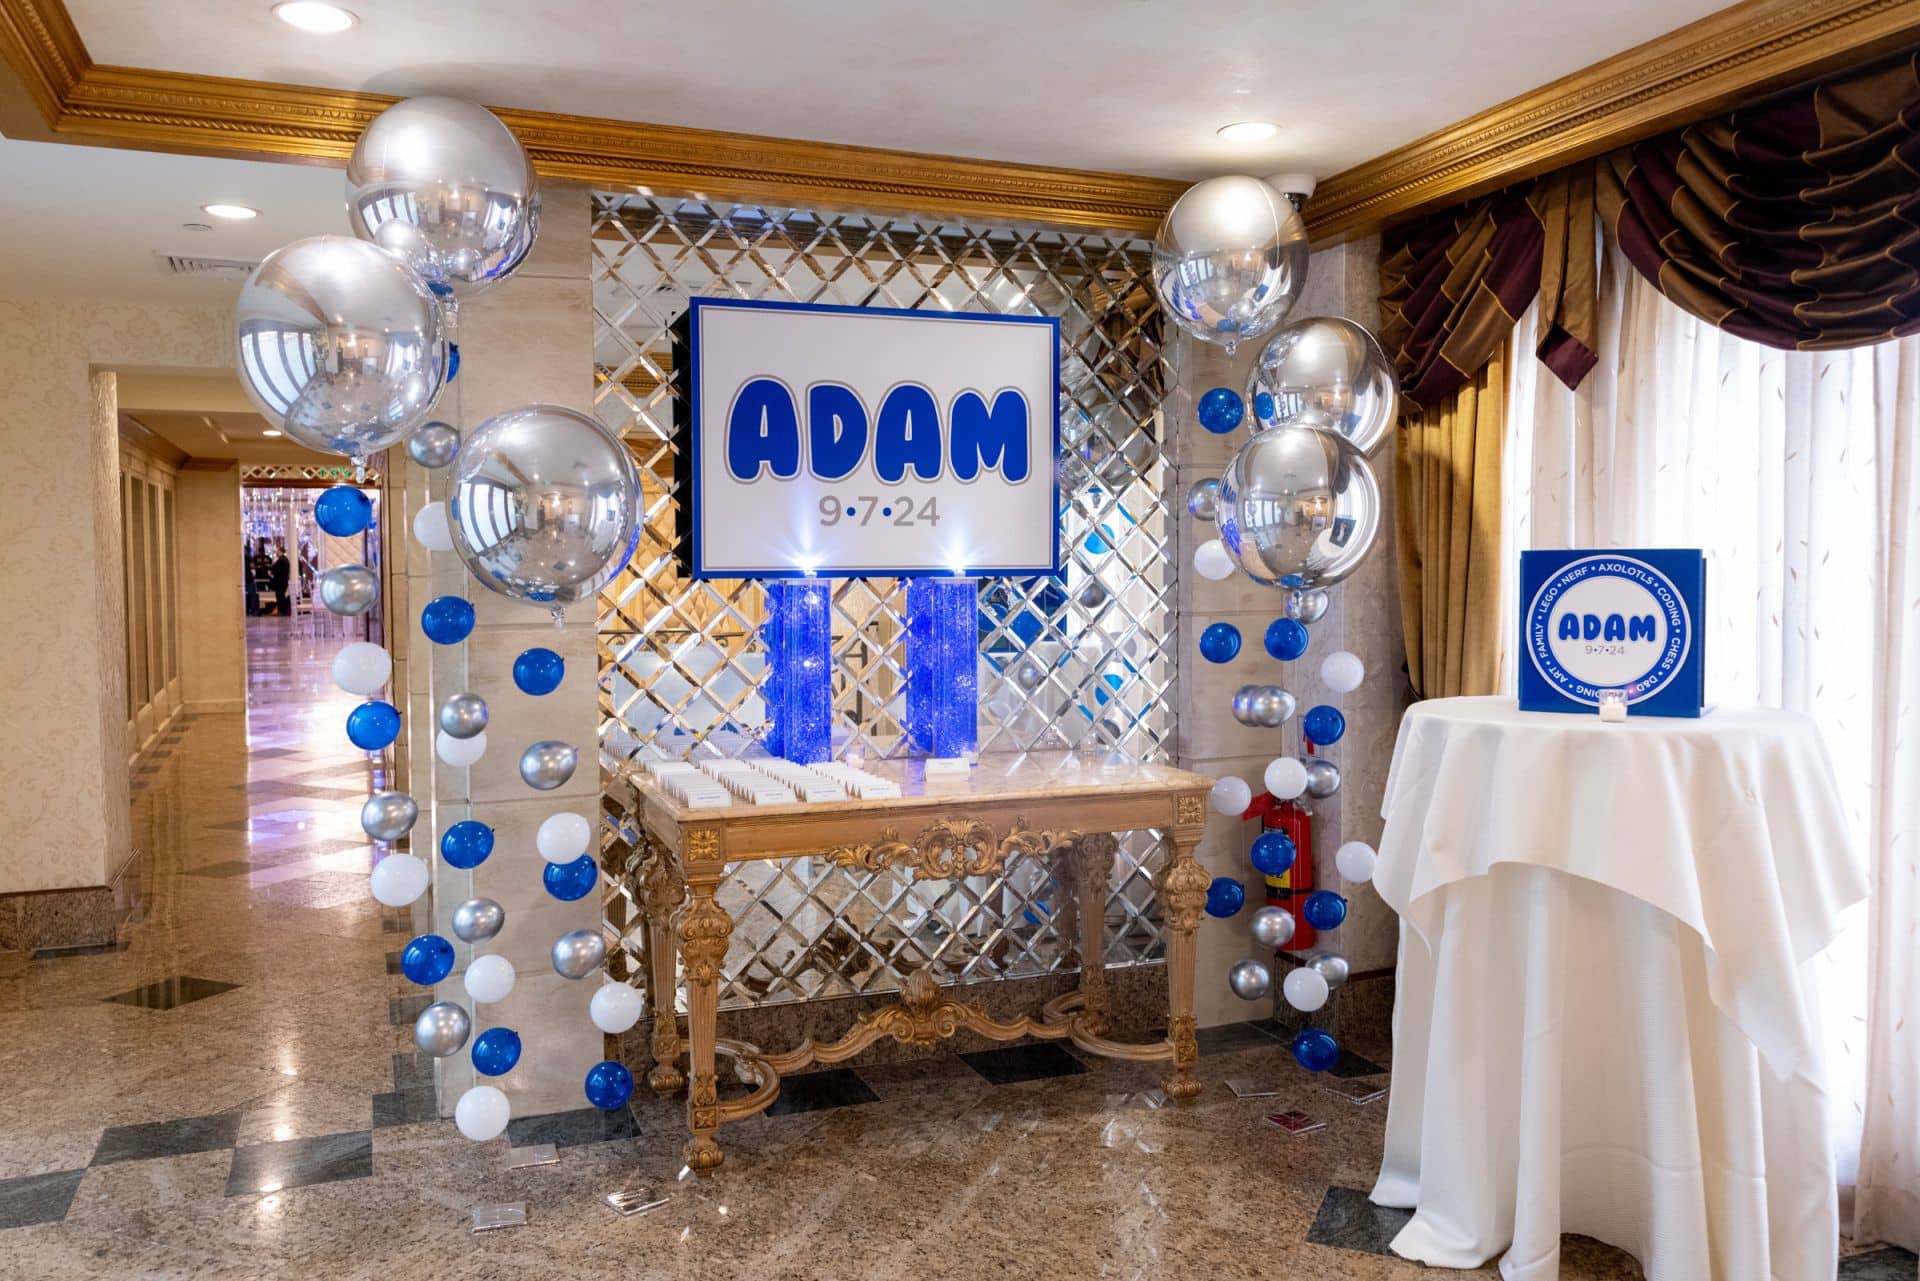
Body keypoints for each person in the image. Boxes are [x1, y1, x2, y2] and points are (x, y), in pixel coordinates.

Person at [271, 543, 292, 616]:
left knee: (280, 596)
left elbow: (276, 570)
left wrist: (271, 572)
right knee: (281, 596)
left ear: (280, 551)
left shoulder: (281, 560)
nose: (276, 552)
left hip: (280, 582)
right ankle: (282, 611)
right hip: (283, 581)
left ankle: (281, 611)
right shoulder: (285, 559)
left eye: (277, 551)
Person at [244, 538, 260, 617]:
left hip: (243, 577)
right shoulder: (248, 557)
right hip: (249, 578)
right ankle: (254, 611)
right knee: (252, 595)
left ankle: (246, 610)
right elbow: (252, 566)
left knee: (245, 595)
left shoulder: (241, 557)